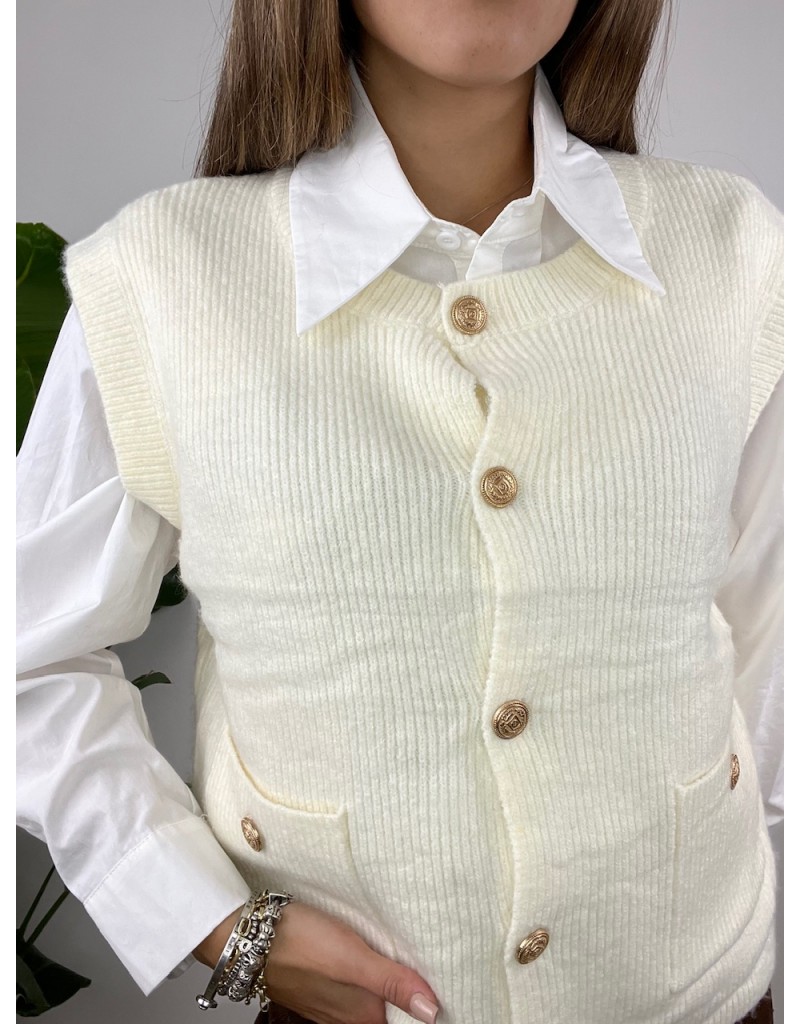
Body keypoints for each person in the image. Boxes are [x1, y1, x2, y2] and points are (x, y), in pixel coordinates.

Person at [16, 1, 783, 1022]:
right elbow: (26, 659)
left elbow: (775, 642)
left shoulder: (732, 252)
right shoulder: (160, 281)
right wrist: (218, 926)